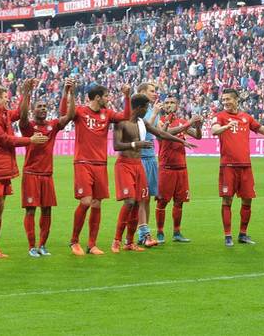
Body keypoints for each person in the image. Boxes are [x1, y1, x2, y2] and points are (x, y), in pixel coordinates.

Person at [112, 94, 196, 253]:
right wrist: (136, 144)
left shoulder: (142, 122)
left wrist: (181, 141)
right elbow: (116, 145)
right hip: (124, 165)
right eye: (146, 108)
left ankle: (129, 242)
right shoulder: (121, 122)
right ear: (139, 108)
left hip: (138, 165)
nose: (147, 111)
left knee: (138, 202)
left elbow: (161, 134)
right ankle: (116, 240)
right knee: (129, 202)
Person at [0, 78, 49, 260]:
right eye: (4, 97)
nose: (7, 100)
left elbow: (20, 112)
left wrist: (26, 93)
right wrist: (30, 140)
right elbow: (5, 140)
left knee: (0, 207)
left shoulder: (4, 114)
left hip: (4, 167)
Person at [210, 88, 264, 246]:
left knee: (247, 201)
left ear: (236, 99)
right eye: (223, 100)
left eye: (228, 99)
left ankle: (243, 234)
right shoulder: (220, 116)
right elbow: (214, 130)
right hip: (228, 166)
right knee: (227, 201)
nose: (225, 102)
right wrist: (226, 127)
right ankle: (227, 236)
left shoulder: (246, 117)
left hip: (246, 166)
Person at [67, 84, 131, 256]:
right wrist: (70, 94)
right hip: (83, 162)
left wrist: (127, 96)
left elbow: (126, 116)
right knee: (86, 201)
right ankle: (74, 241)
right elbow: (68, 114)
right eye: (106, 96)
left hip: (100, 164)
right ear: (97, 97)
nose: (108, 99)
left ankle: (91, 244)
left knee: (97, 202)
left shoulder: (107, 114)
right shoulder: (80, 111)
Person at [19, 78, 76, 257]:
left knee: (47, 210)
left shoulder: (52, 126)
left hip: (47, 175)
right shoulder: (28, 127)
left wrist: (69, 94)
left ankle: (42, 245)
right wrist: (27, 94)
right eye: (40, 106)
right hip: (31, 174)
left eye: (45, 106)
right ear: (33, 110)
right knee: (31, 210)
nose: (43, 109)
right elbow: (21, 116)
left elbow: (70, 115)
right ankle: (31, 246)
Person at [155, 94, 203, 244]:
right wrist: (189, 122)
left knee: (179, 202)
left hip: (181, 167)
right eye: (167, 102)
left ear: (177, 105)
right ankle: (160, 232)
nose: (169, 104)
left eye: (172, 102)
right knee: (162, 202)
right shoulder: (160, 122)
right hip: (166, 167)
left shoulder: (182, 122)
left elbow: (198, 137)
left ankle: (176, 232)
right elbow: (165, 134)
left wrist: (198, 126)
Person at [136, 82, 160, 247]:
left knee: (148, 198)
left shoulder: (153, 111)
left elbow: (159, 132)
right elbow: (143, 133)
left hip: (151, 158)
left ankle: (144, 233)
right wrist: (154, 114)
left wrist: (184, 128)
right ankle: (142, 234)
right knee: (140, 198)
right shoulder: (137, 111)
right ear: (142, 92)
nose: (155, 93)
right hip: (139, 158)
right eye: (152, 91)